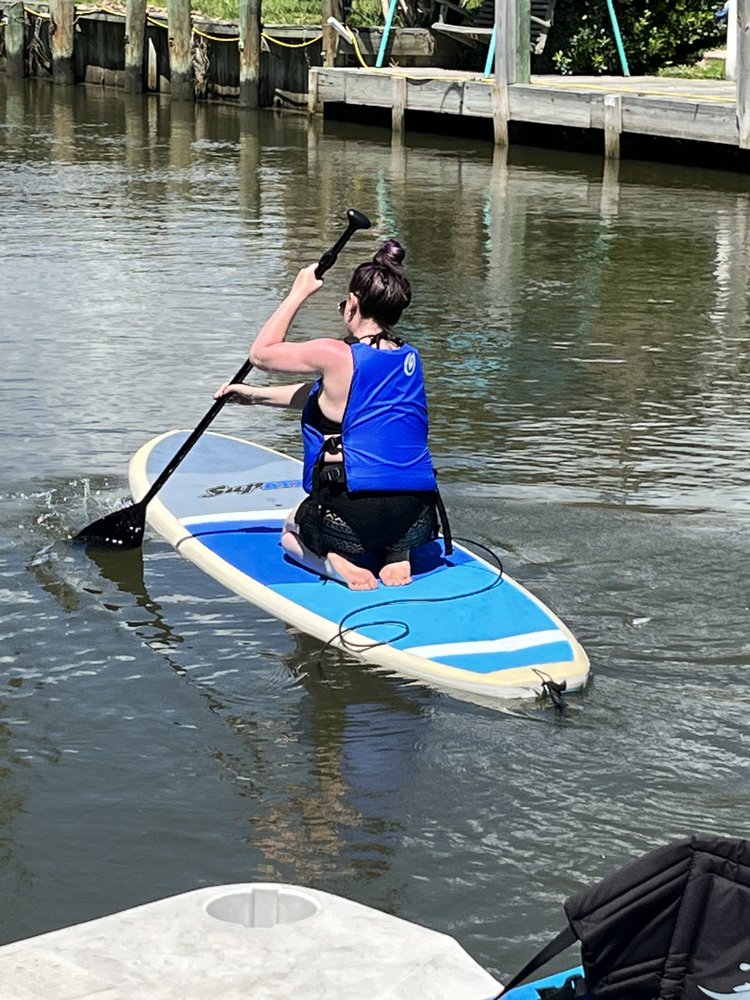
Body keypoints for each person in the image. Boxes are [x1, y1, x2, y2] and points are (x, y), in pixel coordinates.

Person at [214, 239, 448, 592]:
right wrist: (255, 396)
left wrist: (298, 293)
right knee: (389, 507)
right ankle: (396, 553)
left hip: (352, 516)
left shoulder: (336, 353)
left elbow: (261, 355)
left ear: (353, 304)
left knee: (292, 529)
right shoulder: (408, 360)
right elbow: (333, 402)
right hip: (415, 515)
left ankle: (340, 566)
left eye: (344, 304)